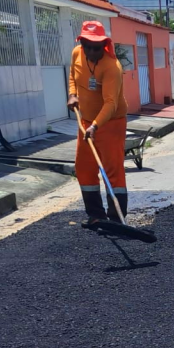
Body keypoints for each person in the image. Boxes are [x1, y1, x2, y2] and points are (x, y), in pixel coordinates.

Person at [67, 21, 128, 225]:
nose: (92, 52)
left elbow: (111, 103)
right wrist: (72, 94)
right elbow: (73, 75)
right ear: (82, 44)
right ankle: (96, 215)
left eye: (97, 47)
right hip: (85, 121)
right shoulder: (77, 53)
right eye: (88, 47)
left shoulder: (112, 67)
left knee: (112, 169)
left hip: (111, 123)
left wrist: (95, 126)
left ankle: (116, 218)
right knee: (84, 167)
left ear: (104, 45)